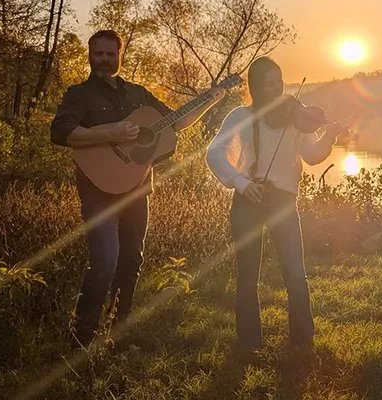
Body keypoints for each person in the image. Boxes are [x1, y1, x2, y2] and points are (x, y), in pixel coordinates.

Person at [50, 29, 225, 348]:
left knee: (131, 261)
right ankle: (82, 340)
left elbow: (175, 121)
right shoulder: (80, 95)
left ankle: (118, 333)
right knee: (105, 261)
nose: (103, 59)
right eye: (97, 53)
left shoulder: (138, 95)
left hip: (137, 190)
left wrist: (207, 101)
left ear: (120, 55)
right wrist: (110, 133)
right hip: (99, 191)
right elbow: (62, 133)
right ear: (90, 55)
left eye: (109, 54)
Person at [205, 57, 346, 351]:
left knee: (295, 272)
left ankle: (303, 342)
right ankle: (249, 344)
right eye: (270, 83)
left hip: (283, 202)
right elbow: (214, 153)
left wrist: (329, 136)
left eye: (280, 81)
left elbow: (312, 155)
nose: (278, 88)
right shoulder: (239, 116)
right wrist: (241, 183)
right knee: (247, 277)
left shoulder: (294, 117)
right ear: (255, 87)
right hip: (247, 200)